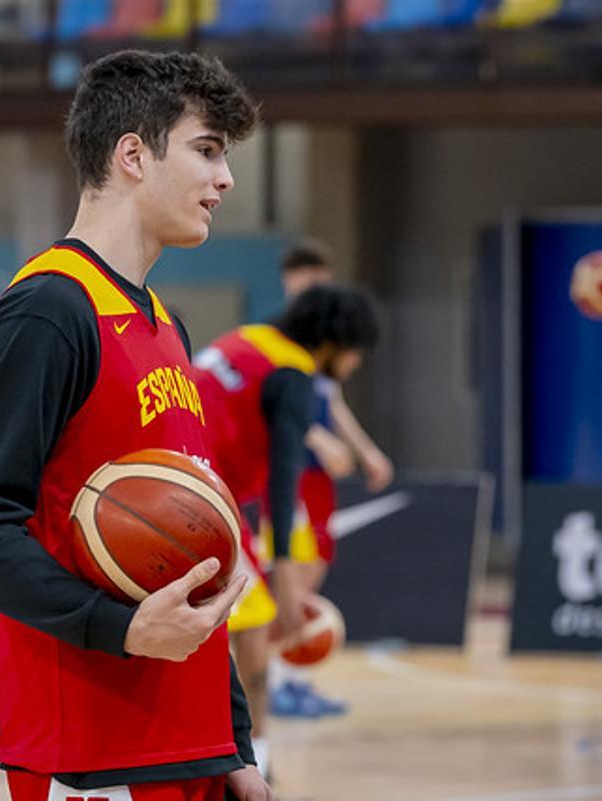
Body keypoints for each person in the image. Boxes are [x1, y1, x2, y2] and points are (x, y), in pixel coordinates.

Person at [0, 50, 272, 801]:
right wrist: (115, 626)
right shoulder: (47, 312)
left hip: (191, 745)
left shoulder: (165, 325)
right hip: (92, 752)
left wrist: (235, 743)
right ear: (132, 156)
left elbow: (192, 552)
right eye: (207, 150)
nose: (226, 180)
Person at [192, 283, 380, 776]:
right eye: (359, 352)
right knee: (255, 625)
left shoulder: (244, 339)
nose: (357, 364)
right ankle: (254, 762)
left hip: (162, 478)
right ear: (338, 342)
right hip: (202, 499)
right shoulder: (294, 375)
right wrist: (285, 575)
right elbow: (283, 479)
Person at [265, 241, 394, 719]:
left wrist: (367, 452)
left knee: (314, 571)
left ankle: (295, 676)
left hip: (320, 478)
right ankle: (277, 678)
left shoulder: (325, 344)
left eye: (322, 280)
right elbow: (279, 406)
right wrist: (317, 441)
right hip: (289, 471)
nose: (317, 289)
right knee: (292, 574)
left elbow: (333, 404)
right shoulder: (284, 339)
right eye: (307, 281)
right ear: (289, 283)